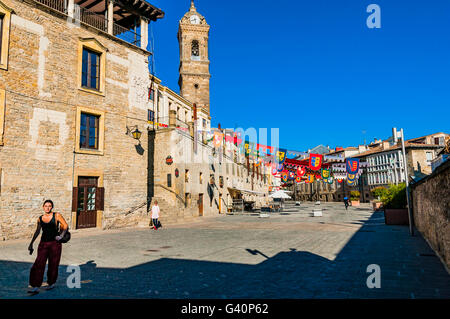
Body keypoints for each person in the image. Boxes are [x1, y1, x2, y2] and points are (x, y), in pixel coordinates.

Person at [27, 200, 68, 294]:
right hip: (43, 244)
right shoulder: (40, 218)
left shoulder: (57, 215)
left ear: (52, 207)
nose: (47, 208)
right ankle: (35, 285)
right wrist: (31, 243)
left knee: (53, 264)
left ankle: (51, 283)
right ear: (43, 207)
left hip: (55, 244)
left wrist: (61, 236)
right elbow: (37, 231)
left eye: (49, 206)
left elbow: (65, 226)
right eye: (46, 206)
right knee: (38, 264)